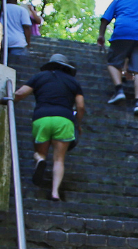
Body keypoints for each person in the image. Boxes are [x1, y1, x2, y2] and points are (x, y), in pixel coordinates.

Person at [14, 53, 85, 201]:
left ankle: (39, 160)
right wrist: (78, 124)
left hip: (42, 117)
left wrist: (5, 101)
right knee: (59, 159)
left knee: (40, 153)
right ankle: (55, 193)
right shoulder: (73, 82)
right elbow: (80, 106)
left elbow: (20, 93)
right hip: (64, 119)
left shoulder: (40, 77)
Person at [0, 0, 35, 68]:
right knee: (18, 67)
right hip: (18, 43)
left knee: (0, 66)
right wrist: (28, 43)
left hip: (1, 42)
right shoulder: (22, 10)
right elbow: (26, 27)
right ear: (16, 0)